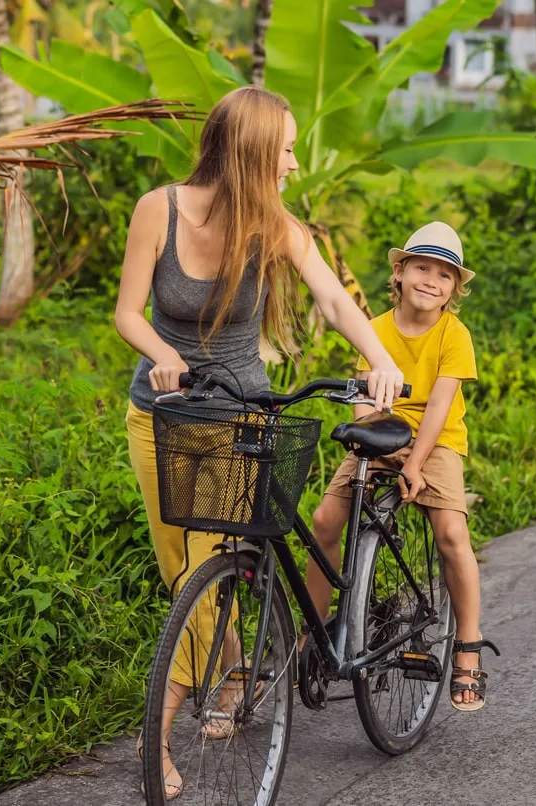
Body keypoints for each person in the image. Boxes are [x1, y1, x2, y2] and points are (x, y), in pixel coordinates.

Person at [114, 86, 405, 797]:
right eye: (286, 149)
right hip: (162, 413)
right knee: (180, 567)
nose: (295, 163)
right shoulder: (161, 208)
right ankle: (238, 667)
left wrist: (381, 358)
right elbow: (127, 312)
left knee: (203, 570)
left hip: (241, 416)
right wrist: (163, 352)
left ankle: (157, 741)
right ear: (250, 153)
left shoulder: (271, 223)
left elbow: (333, 299)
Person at [305, 221, 500, 713]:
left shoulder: (455, 336)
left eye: (444, 275)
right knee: (326, 520)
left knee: (451, 532)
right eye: (422, 268)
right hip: (381, 431)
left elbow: (439, 407)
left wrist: (414, 463)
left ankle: (468, 647)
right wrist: (369, 443)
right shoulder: (374, 330)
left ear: (455, 287)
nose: (431, 280)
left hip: (435, 442)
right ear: (399, 271)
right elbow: (363, 397)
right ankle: (314, 635)